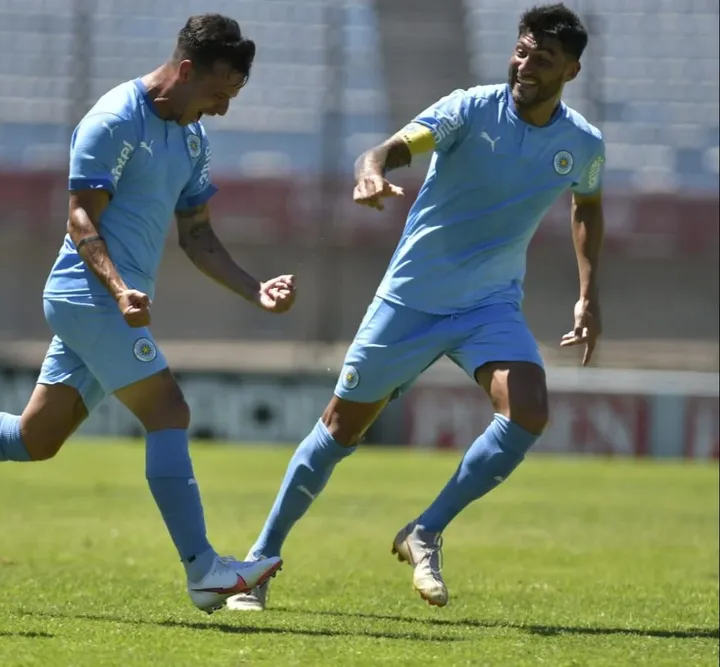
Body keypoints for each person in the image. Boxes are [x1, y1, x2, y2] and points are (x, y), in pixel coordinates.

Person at [0, 14, 294, 614]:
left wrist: (254, 288)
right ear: (186, 70)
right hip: (86, 294)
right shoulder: (114, 119)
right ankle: (203, 571)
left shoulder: (192, 138)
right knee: (169, 408)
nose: (223, 108)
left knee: (37, 437)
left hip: (113, 306)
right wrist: (116, 290)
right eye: (218, 93)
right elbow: (79, 218)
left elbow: (199, 237)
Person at [228, 3, 605, 611]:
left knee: (529, 410)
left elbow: (586, 205)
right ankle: (259, 563)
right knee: (338, 432)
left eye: (543, 58)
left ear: (572, 70)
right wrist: (371, 172)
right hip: (411, 300)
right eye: (522, 50)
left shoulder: (582, 144)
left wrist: (588, 295)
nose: (525, 65)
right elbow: (386, 150)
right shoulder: (469, 108)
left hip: (488, 305)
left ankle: (425, 530)